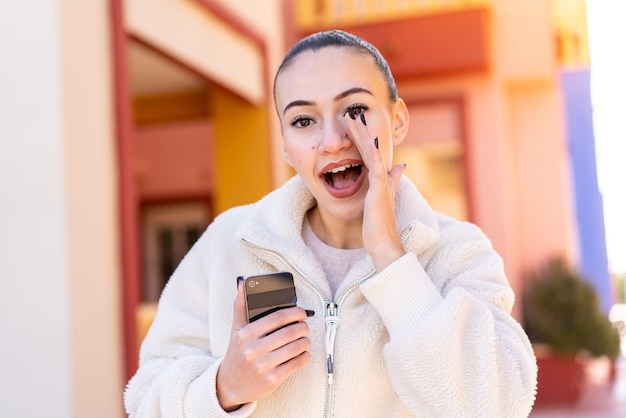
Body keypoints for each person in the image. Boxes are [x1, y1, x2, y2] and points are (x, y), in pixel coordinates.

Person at [124, 30, 537, 417]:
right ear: (286, 145)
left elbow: (499, 405)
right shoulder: (229, 243)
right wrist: (225, 388)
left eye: (355, 110)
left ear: (397, 120)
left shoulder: (456, 251)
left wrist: (393, 262)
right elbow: (145, 400)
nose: (333, 140)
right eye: (303, 121)